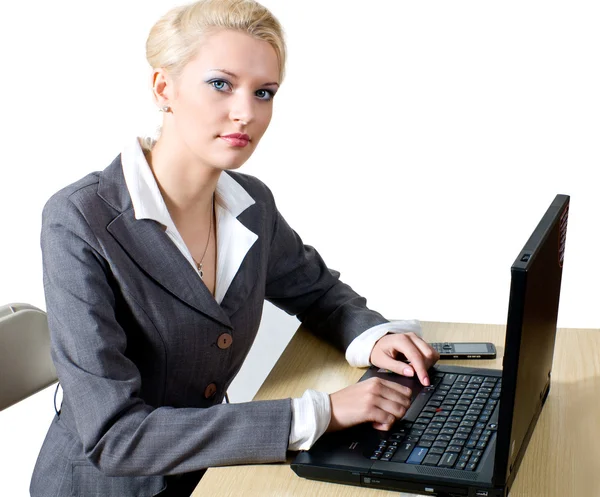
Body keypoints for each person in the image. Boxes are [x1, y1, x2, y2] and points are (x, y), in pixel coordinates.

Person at [30, 1, 439, 495]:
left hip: (217, 471)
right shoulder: (79, 220)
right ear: (164, 88)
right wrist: (322, 412)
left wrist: (372, 336)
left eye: (263, 92)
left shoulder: (250, 204)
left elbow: (316, 292)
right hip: (111, 487)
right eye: (221, 84)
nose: (246, 113)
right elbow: (114, 437)